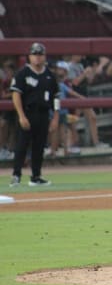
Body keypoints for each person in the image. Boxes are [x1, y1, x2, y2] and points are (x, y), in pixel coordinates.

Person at [9, 43, 60, 187]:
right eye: (35, 55)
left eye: (40, 55)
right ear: (30, 57)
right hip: (27, 112)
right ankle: (16, 175)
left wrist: (55, 117)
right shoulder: (22, 73)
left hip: (43, 114)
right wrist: (21, 115)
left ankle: (36, 176)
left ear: (44, 56)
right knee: (22, 145)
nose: (37, 58)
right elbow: (16, 95)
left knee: (39, 146)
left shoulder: (49, 75)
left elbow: (56, 97)